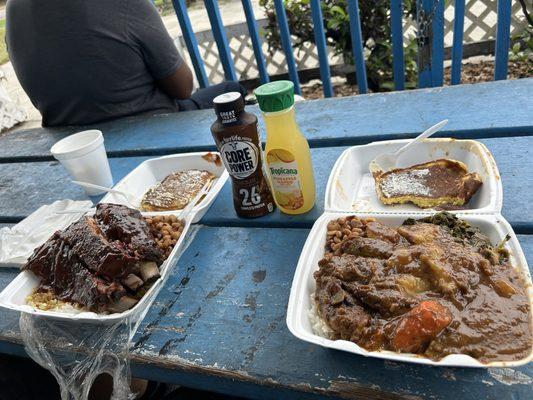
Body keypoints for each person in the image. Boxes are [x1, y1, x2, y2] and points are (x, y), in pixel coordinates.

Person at [6, 0, 246, 127]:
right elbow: (182, 88)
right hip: (152, 127)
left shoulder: (14, 8)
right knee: (231, 90)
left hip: (68, 139)